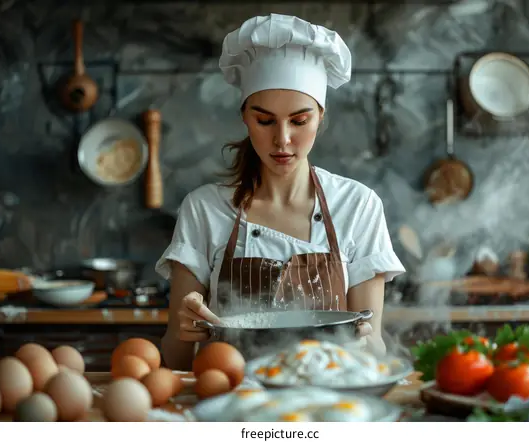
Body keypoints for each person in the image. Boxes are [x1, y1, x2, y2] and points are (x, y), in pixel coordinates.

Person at [155, 13, 406, 370]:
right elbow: (178, 361)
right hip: (235, 403)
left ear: (320, 116)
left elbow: (373, 344)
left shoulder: (357, 206)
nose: (282, 139)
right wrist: (185, 331)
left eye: (300, 121)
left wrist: (369, 346)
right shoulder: (204, 209)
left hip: (326, 403)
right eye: (265, 120)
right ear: (245, 116)